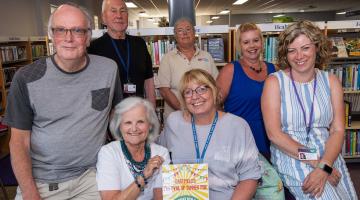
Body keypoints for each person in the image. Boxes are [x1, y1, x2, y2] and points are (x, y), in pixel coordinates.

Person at [4, 3, 122, 199]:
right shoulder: (26, 78)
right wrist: (29, 191)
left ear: (88, 37)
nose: (68, 38)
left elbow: (116, 119)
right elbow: (18, 143)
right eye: (61, 30)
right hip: (42, 181)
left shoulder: (109, 69)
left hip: (92, 176)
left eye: (77, 30)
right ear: (52, 35)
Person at [261, 20, 357, 199]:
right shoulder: (274, 82)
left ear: (317, 47)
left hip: (328, 153)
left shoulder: (331, 81)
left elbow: (337, 130)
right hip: (291, 155)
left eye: (305, 48)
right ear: (285, 53)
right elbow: (274, 134)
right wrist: (318, 164)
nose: (299, 56)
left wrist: (326, 163)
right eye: (292, 50)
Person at [158, 69, 261, 199]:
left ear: (214, 91)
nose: (195, 96)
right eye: (188, 92)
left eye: (201, 89)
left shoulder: (238, 126)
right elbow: (157, 155)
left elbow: (250, 177)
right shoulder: (174, 122)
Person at [216, 23, 276, 156]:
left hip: (271, 137)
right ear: (239, 46)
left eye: (256, 40)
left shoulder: (273, 69)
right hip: (240, 138)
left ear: (262, 42)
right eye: (246, 42)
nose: (252, 46)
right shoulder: (230, 70)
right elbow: (214, 103)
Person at [96, 97, 170, 200]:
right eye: (128, 122)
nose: (134, 128)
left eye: (140, 122)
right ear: (119, 126)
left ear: (150, 125)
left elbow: (160, 197)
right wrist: (144, 176)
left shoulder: (161, 153)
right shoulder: (109, 152)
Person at [88, 0, 156, 107]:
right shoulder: (94, 48)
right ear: (104, 17)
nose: (119, 16)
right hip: (111, 116)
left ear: (127, 16)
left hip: (138, 112)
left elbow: (149, 80)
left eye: (123, 11)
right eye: (113, 11)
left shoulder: (140, 44)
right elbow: (92, 87)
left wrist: (152, 112)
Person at [156, 18, 218, 119]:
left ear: (194, 33)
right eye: (180, 31)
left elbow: (215, 85)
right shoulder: (167, 59)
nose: (184, 33)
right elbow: (164, 91)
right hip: (177, 116)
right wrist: (185, 111)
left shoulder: (207, 56)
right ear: (175, 36)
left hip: (205, 115)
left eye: (188, 29)